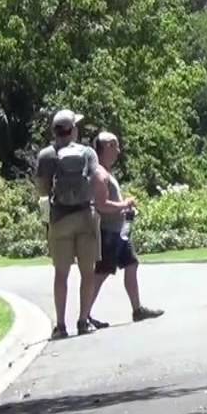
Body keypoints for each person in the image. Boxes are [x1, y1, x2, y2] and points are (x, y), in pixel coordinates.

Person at [36, 109, 105, 340]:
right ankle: (83, 321)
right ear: (73, 130)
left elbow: (42, 190)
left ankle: (61, 326)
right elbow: (98, 179)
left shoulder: (46, 156)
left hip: (59, 220)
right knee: (87, 272)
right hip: (85, 217)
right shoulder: (87, 153)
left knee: (61, 274)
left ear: (55, 131)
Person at [86, 131, 164, 329]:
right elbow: (101, 205)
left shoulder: (107, 173)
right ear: (107, 147)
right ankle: (83, 316)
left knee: (131, 264)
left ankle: (137, 310)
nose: (118, 151)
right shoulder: (99, 173)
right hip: (108, 233)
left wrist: (125, 209)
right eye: (115, 146)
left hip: (118, 231)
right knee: (101, 274)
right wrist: (124, 204)